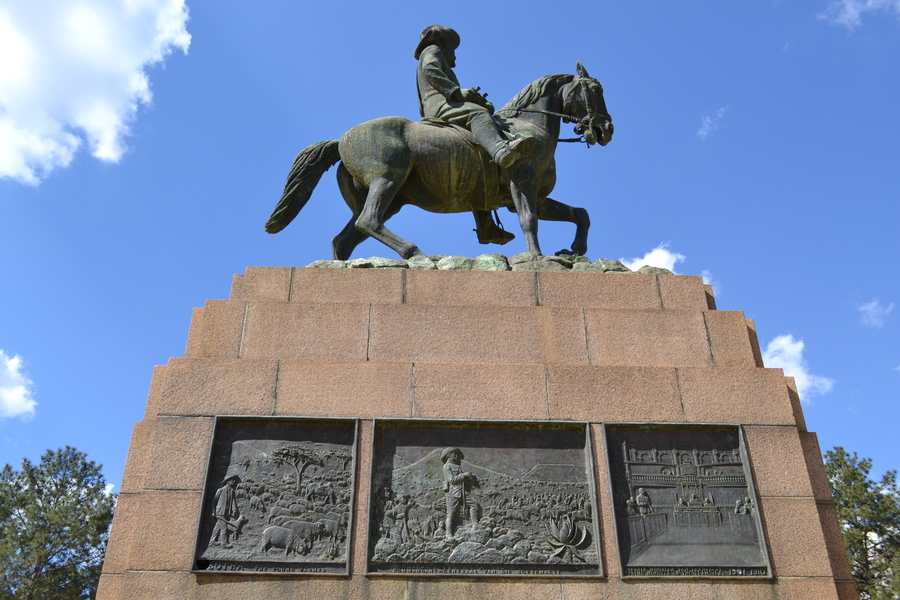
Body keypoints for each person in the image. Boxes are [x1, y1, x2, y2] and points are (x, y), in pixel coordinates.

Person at [415, 25, 530, 245]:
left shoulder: (434, 52)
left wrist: (478, 100)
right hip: (441, 107)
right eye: (453, 47)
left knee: (479, 158)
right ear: (445, 42)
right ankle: (502, 151)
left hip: (445, 105)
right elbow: (431, 70)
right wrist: (460, 93)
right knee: (477, 114)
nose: (455, 54)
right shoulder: (433, 50)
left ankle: (486, 226)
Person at [440, 447, 480, 538]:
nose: (456, 455)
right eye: (454, 454)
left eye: (457, 454)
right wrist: (464, 475)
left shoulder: (457, 466)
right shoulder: (446, 467)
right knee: (451, 514)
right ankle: (448, 534)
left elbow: (461, 480)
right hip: (453, 493)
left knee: (474, 504)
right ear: (448, 455)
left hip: (462, 492)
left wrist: (469, 478)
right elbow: (452, 480)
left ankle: (475, 525)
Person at [210, 472, 241, 548]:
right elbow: (214, 501)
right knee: (224, 527)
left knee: (217, 527)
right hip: (220, 512)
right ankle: (224, 543)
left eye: (234, 480)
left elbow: (233, 501)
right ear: (227, 481)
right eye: (232, 480)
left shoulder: (232, 491)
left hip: (226, 512)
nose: (233, 481)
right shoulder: (220, 490)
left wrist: (234, 510)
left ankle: (212, 541)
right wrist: (213, 511)